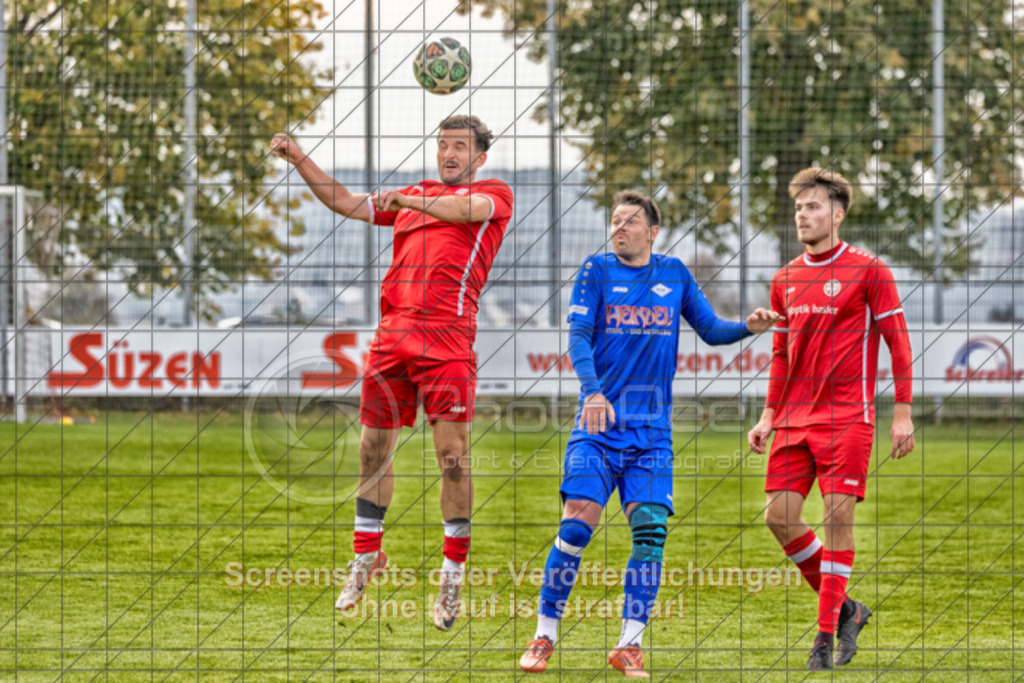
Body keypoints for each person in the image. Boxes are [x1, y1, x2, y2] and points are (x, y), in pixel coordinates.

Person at [518, 191, 779, 677]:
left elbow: (710, 330)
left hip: (652, 437)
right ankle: (544, 635)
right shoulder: (596, 271)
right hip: (596, 428)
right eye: (615, 220)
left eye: (630, 221)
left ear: (653, 231)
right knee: (576, 526)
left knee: (651, 533)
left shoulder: (674, 273)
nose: (620, 227)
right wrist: (593, 392)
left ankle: (628, 645)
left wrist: (748, 326)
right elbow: (576, 338)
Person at [271, 115, 513, 631]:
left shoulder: (493, 194)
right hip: (392, 337)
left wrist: (406, 201)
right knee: (370, 449)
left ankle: (451, 573)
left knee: (451, 458)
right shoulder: (413, 196)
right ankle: (366, 556)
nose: (449, 153)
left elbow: (463, 208)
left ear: (479, 157)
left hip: (447, 340)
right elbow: (342, 200)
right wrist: (298, 158)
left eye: (460, 146)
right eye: (443, 144)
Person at [747, 167, 915, 670]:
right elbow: (782, 354)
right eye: (798, 208)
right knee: (779, 518)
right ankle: (847, 609)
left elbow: (899, 342)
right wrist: (767, 415)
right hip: (794, 420)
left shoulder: (869, 270)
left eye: (814, 206)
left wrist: (901, 414)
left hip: (847, 417)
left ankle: (824, 638)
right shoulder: (785, 279)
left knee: (838, 519)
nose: (803, 215)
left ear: (838, 214)